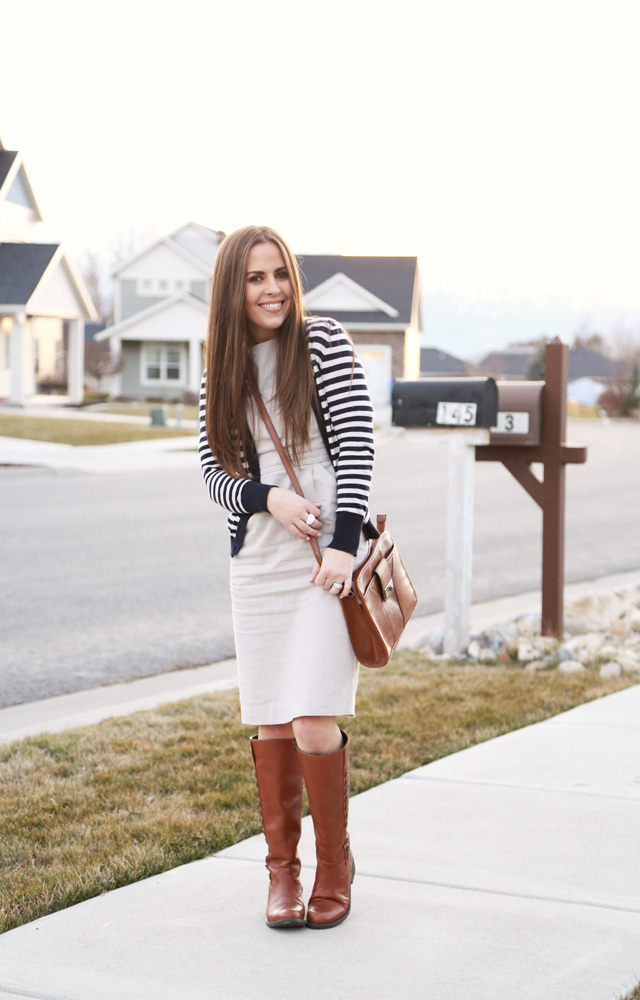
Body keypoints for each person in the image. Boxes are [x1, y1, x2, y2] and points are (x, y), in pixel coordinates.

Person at [198, 225, 377, 930]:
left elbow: (357, 441)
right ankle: (283, 872)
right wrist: (266, 497)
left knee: (311, 715)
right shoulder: (223, 364)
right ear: (232, 289)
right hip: (261, 562)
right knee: (273, 716)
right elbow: (214, 475)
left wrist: (342, 545)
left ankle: (335, 864)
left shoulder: (323, 341)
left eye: (280, 274)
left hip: (323, 560)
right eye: (254, 277)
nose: (272, 289)